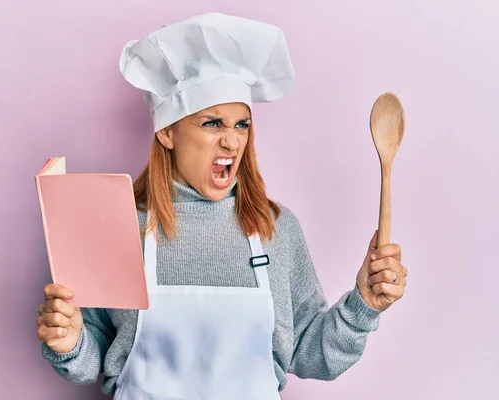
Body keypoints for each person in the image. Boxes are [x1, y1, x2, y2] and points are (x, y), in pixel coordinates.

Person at [36, 12, 408, 400]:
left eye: (242, 124)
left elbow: (310, 353)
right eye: (212, 123)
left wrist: (363, 303)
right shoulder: (120, 225)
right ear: (167, 131)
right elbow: (93, 354)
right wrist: (69, 340)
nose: (232, 142)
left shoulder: (275, 229)